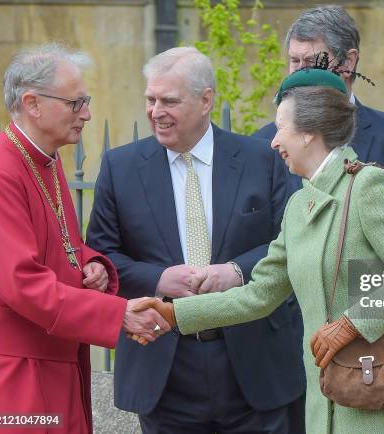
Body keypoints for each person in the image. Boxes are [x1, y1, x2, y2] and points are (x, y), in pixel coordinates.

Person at [133, 68, 384, 434]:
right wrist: (174, 313)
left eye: (282, 128)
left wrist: (351, 324)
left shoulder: (370, 185)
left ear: (309, 133)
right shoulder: (298, 207)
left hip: (377, 398)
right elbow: (258, 295)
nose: (274, 141)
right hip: (322, 404)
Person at [86, 46, 305, 433]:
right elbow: (102, 257)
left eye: (170, 101)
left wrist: (236, 271)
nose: (156, 112)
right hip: (165, 365)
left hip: (253, 361)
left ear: (206, 101)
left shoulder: (261, 158)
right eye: (150, 100)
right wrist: (157, 279)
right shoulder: (120, 168)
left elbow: (290, 241)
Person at [0, 43, 170, 434]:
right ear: (33, 103)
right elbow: (21, 283)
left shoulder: (45, 159)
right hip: (20, 375)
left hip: (57, 360)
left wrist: (93, 264)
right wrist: (117, 313)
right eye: (76, 103)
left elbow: (58, 244)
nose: (86, 113)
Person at [254, 4, 384, 219]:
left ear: (348, 62)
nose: (299, 72)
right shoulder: (264, 143)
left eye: (312, 62)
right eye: (294, 61)